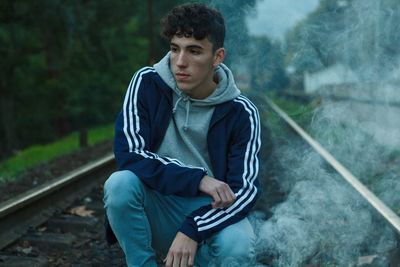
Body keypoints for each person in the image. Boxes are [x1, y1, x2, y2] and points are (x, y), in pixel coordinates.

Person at [103, 3, 261, 266]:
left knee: (239, 245)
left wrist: (193, 228)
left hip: (208, 213)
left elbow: (244, 191)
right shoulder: (147, 83)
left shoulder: (241, 112)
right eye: (175, 49)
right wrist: (198, 179)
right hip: (158, 205)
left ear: (217, 57)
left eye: (194, 51)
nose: (180, 62)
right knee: (120, 184)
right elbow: (129, 154)